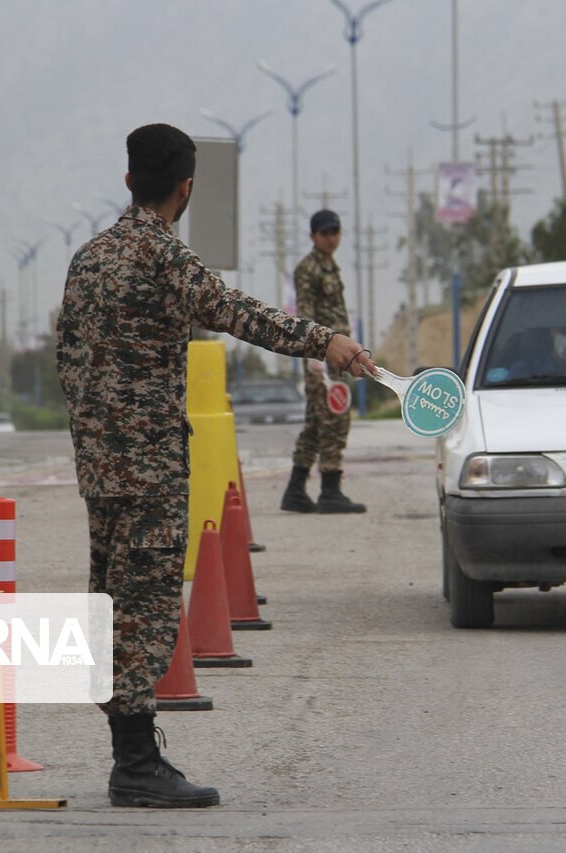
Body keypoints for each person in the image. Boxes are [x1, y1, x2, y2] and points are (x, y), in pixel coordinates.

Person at [56, 124, 375, 809]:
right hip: (149, 469)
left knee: (110, 602)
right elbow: (241, 314)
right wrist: (327, 342)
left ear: (129, 180)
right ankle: (136, 765)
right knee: (145, 607)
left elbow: (68, 359)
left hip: (100, 467)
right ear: (186, 188)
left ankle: (128, 750)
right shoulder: (165, 257)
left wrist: (93, 436)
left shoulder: (86, 260)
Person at [280, 209, 367, 514]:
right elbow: (306, 314)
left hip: (337, 357)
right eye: (325, 233)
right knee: (335, 416)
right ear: (313, 236)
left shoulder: (329, 266)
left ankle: (295, 489)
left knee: (317, 421)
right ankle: (330, 489)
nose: (332, 238)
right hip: (322, 358)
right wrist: (315, 357)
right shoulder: (309, 269)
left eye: (335, 232)